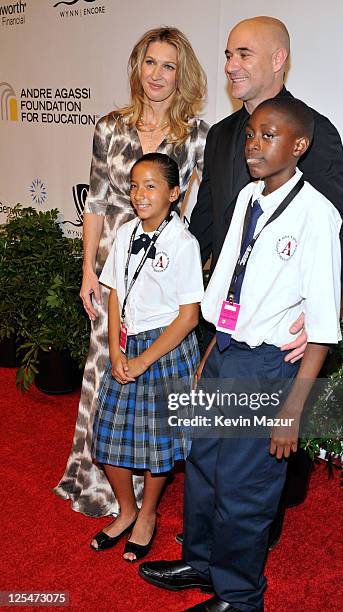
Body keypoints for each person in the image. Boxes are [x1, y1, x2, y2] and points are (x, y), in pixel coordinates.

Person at [139, 97, 342, 611]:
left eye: (269, 135)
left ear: (299, 146)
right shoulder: (247, 199)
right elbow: (227, 280)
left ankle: (240, 597)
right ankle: (203, 563)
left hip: (266, 367)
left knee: (245, 488)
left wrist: (293, 409)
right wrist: (211, 352)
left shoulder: (317, 216)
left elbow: (321, 326)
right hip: (225, 351)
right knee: (204, 466)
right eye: (251, 133)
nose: (254, 144)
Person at [174, 14, 343, 549]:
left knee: (251, 479)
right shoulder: (224, 134)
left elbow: (329, 234)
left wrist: (317, 315)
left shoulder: (314, 132)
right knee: (208, 455)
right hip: (227, 321)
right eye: (228, 54)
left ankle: (241, 565)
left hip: (277, 331)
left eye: (244, 54)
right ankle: (205, 559)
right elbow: (205, 221)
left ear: (278, 59)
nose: (231, 65)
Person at [53, 27, 209, 517]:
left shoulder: (197, 134)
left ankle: (148, 489)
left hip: (162, 268)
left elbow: (198, 206)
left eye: (168, 66)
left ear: (181, 74)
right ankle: (99, 481)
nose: (158, 74)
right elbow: (96, 201)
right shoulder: (109, 127)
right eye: (150, 63)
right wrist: (87, 271)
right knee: (106, 368)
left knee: (153, 374)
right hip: (114, 268)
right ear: (137, 67)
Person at [89, 153, 203, 560]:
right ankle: (127, 510)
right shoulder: (124, 232)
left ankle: (148, 515)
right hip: (127, 344)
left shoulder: (183, 243)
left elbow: (189, 318)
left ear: (174, 194)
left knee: (158, 443)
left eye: (151, 186)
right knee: (105, 434)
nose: (140, 194)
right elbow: (115, 292)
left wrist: (142, 361)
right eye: (135, 185)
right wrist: (116, 347)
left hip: (166, 349)